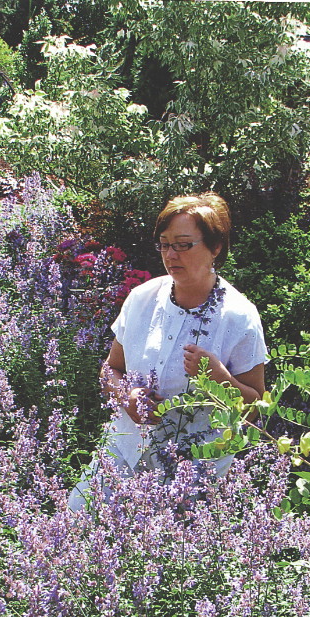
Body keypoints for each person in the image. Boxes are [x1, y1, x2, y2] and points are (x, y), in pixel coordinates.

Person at [68, 192, 268, 511]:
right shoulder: (142, 299)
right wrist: (126, 396)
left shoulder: (239, 317)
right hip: (126, 450)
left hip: (192, 472)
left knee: (165, 544)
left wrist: (219, 378)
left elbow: (255, 408)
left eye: (183, 245)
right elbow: (110, 369)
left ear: (215, 247)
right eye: (164, 244)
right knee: (78, 516)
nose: (171, 254)